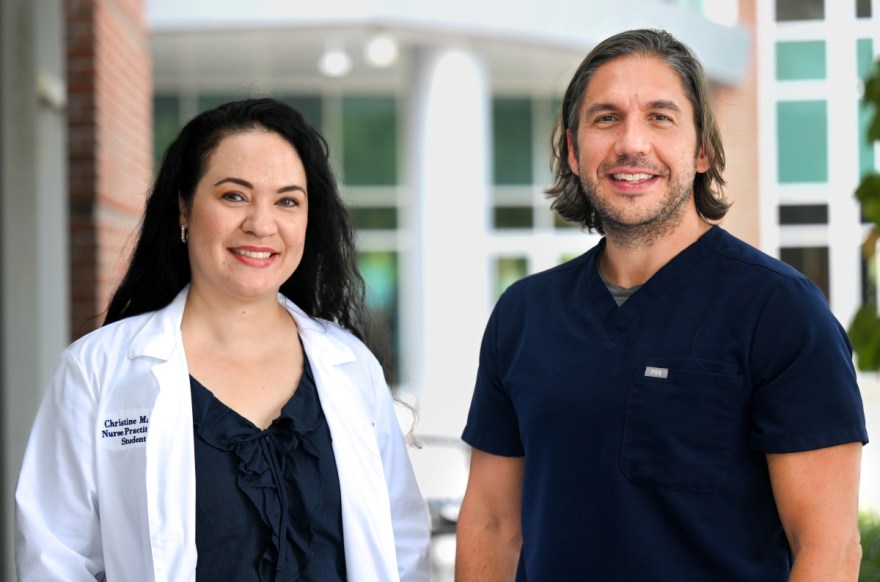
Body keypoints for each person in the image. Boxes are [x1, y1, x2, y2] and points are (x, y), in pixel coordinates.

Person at [456, 28, 868, 581]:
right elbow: (490, 524)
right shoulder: (523, 315)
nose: (631, 143)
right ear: (574, 153)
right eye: (605, 118)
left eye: (660, 116)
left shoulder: (781, 312)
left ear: (701, 151)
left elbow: (830, 549)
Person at [15, 97, 430, 581]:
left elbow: (403, 550)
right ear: (184, 209)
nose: (261, 223)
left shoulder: (351, 367)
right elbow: (54, 560)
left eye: (287, 201)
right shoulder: (98, 371)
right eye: (234, 196)